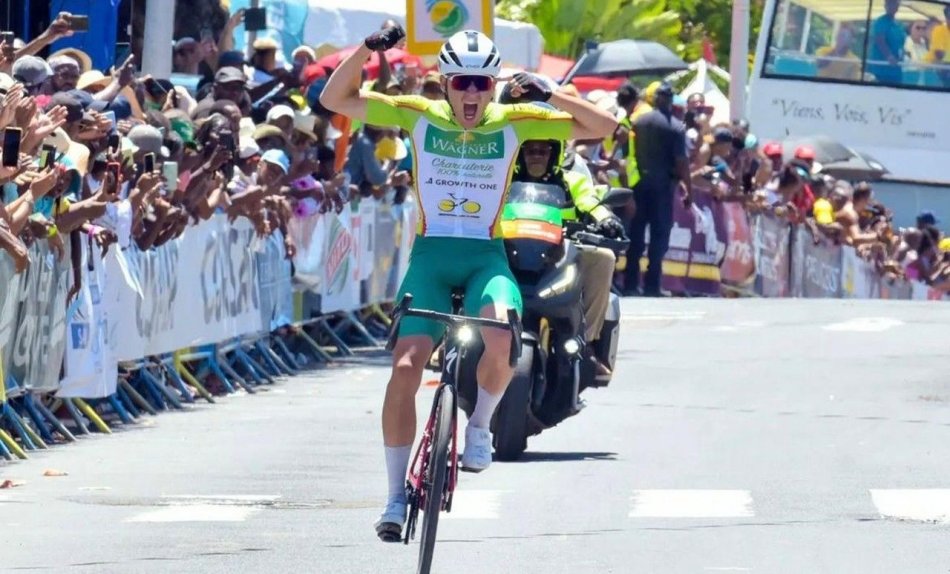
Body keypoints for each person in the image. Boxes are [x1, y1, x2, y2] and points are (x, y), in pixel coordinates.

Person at [320, 25, 616, 542]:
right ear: (444, 82)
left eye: (483, 83)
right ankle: (393, 496)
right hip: (431, 259)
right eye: (462, 84)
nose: (473, 94)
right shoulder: (417, 115)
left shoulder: (515, 120)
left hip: (486, 257)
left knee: (503, 336)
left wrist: (550, 91)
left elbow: (603, 125)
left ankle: (479, 425)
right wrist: (370, 51)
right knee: (406, 367)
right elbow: (335, 97)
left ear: (496, 84)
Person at [509, 134, 624, 377]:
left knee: (604, 257)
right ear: (521, 154)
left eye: (543, 151)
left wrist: (608, 219)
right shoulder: (505, 178)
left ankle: (589, 344)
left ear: (554, 154)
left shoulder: (572, 180)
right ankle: (452, 340)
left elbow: (591, 201)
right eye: (530, 151)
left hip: (561, 252)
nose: (536, 156)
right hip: (511, 247)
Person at [623, 82, 691, 297]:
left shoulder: (638, 122)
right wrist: (688, 188)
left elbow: (628, 154)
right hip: (662, 188)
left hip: (639, 185)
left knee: (636, 237)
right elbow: (682, 162)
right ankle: (652, 285)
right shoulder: (676, 127)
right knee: (659, 237)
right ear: (670, 101)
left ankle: (631, 284)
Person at [868, 0, 907, 85]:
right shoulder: (880, 22)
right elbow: (879, 40)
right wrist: (889, 56)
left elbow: (901, 43)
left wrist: (903, 53)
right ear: (885, 5)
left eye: (894, 3)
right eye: (889, 3)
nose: (891, 6)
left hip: (896, 70)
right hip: (881, 70)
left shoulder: (899, 25)